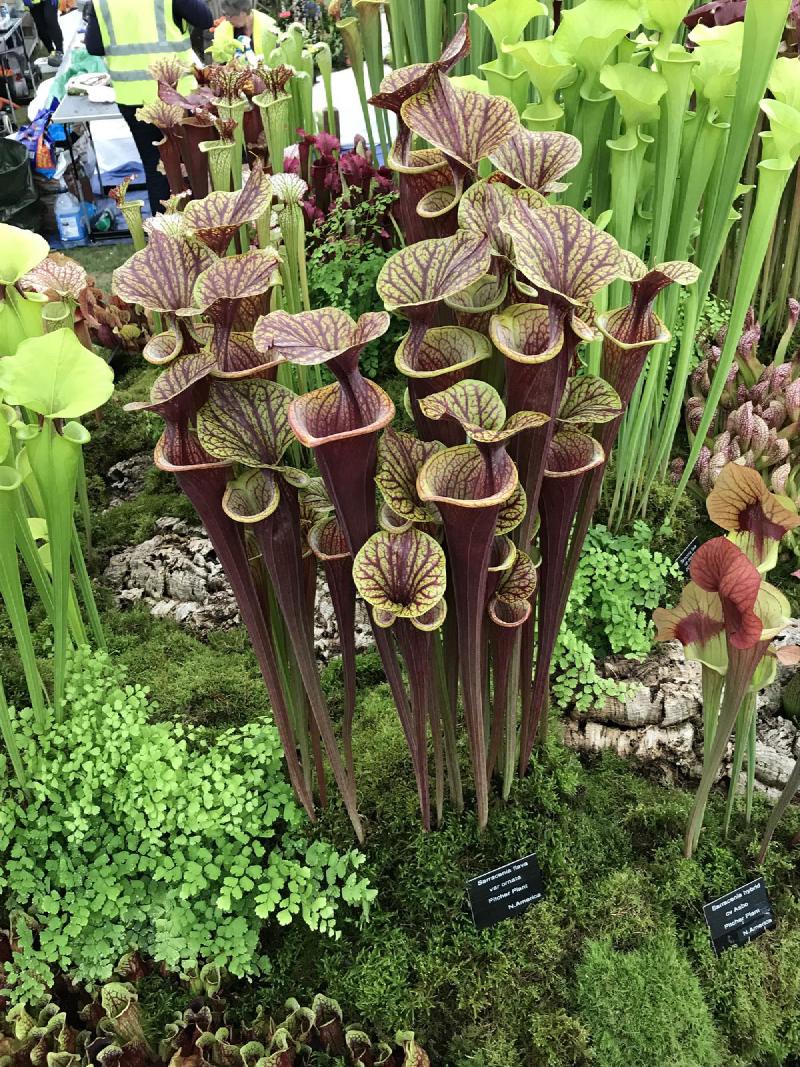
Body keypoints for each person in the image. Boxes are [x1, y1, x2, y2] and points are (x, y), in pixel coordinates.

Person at [84, 0, 213, 214]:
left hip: (132, 97)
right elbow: (204, 19)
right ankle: (194, 227)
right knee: (189, 166)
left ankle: (163, 236)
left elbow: (94, 46)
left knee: (156, 168)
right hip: (175, 95)